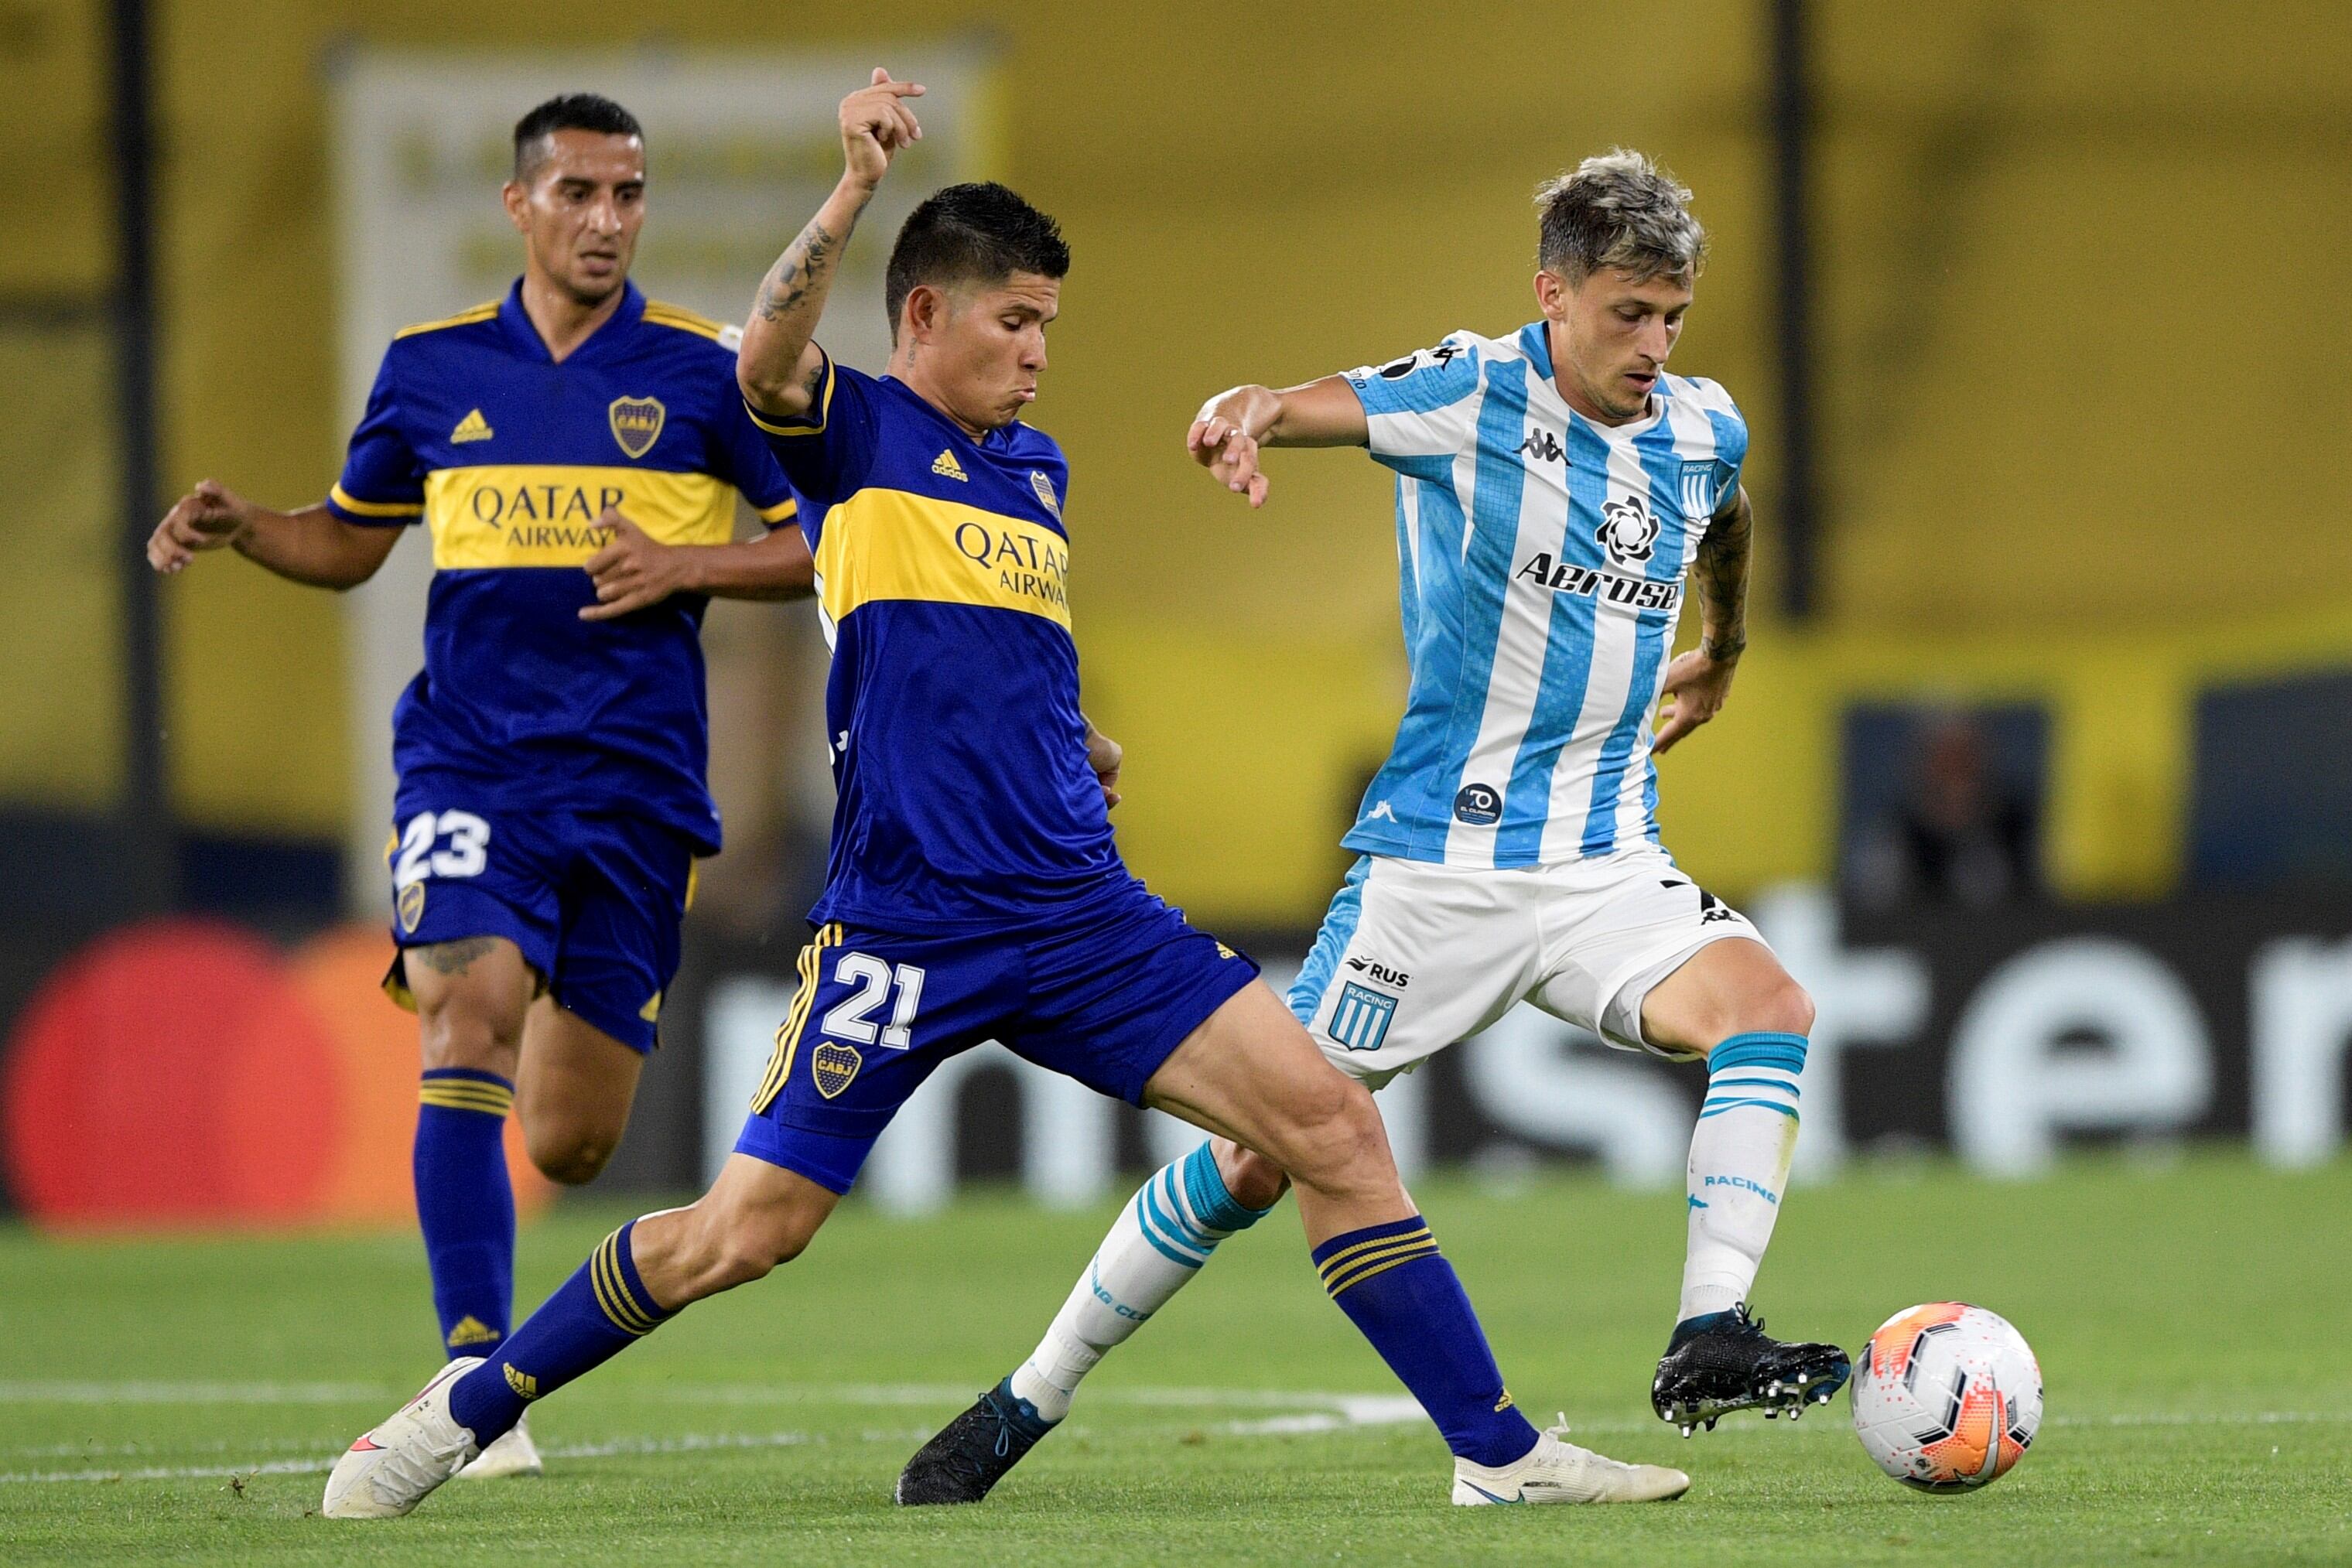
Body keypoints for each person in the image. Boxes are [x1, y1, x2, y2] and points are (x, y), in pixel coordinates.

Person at [320, 70, 1689, 1520]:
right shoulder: (851, 433)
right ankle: (461, 1408)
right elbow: (764, 364)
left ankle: (1495, 1453)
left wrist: (1070, 739)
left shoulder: (1033, 471)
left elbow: (995, 654)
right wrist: (851, 187)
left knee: (1333, 1129)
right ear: (924, 318)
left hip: (1078, 913)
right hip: (907, 924)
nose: (1039, 354)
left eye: (1049, 325)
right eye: (1014, 322)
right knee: (747, 1230)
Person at [898, 148, 1850, 1506]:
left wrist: (1730, 642)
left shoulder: (1703, 428)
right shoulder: (1472, 389)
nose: (1654, 345)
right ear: (1555, 294)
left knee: (1770, 1007)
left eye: (1673, 319)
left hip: (1606, 862)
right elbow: (1300, 403)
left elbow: (1729, 513)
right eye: (1629, 314)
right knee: (1251, 1163)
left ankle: (1706, 1333)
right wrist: (1241, 416)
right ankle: (1026, 1397)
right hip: (1438, 872)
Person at [149, 92, 811, 1480]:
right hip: (471, 756)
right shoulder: (428, 368)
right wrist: (245, 529)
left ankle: (487, 1344)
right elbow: (348, 538)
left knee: (572, 1143)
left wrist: (687, 565)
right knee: (469, 1001)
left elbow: (820, 540)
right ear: (519, 205)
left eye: (629, 194)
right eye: (578, 193)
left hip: (635, 790)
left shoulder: (701, 372)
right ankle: (471, 1375)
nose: (607, 221)